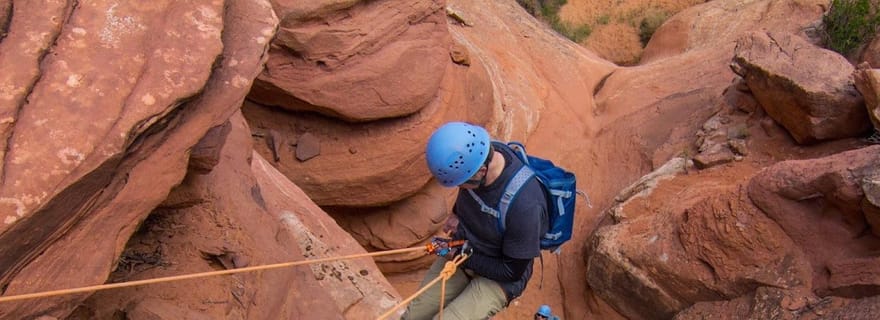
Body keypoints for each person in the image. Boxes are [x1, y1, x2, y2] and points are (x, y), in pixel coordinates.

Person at [402, 122, 548, 320]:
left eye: (461, 183)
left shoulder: (526, 205)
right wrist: (456, 214)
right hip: (466, 247)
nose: (459, 188)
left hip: (499, 274)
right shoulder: (477, 154)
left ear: (480, 171)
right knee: (412, 316)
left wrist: (456, 253)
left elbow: (510, 271)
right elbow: (470, 192)